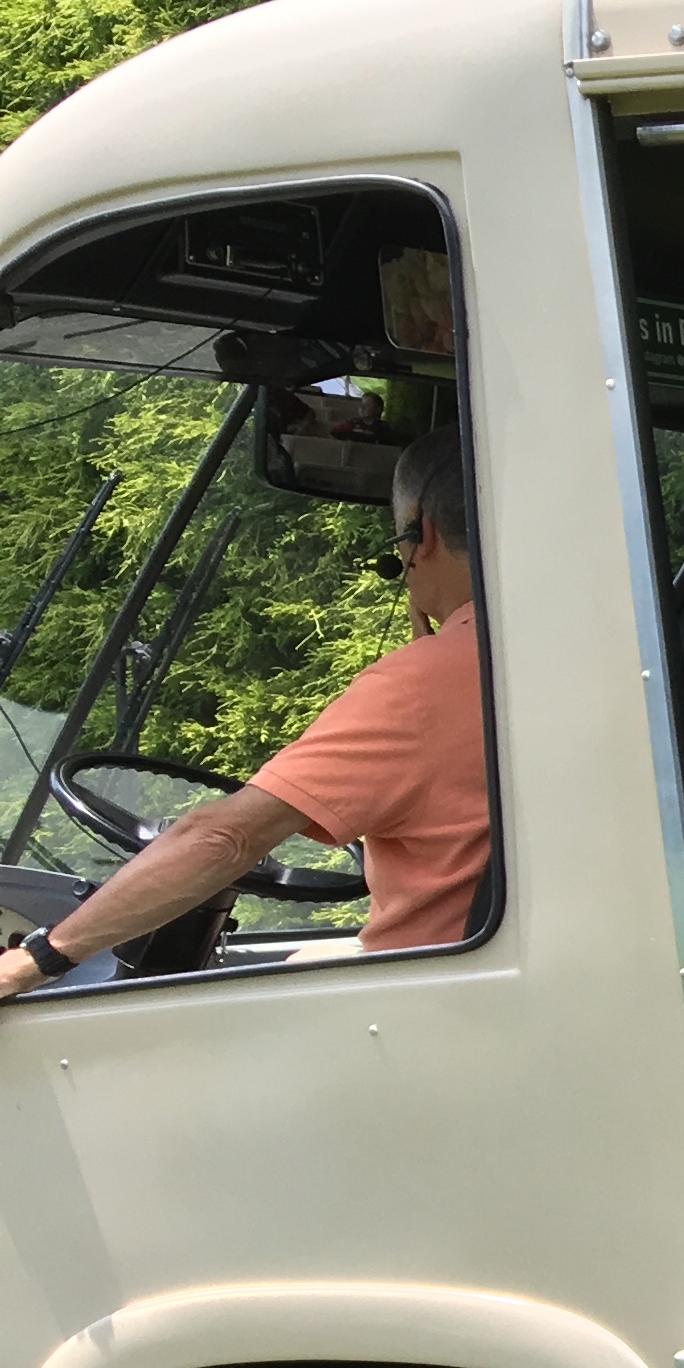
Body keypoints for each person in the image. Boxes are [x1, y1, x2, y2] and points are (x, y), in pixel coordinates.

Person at [0, 429, 489, 1002]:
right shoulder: (547, 656)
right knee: (309, 955)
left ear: (420, 535)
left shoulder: (427, 684)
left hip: (429, 1006)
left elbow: (228, 838)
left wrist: (34, 960)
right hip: (471, 985)